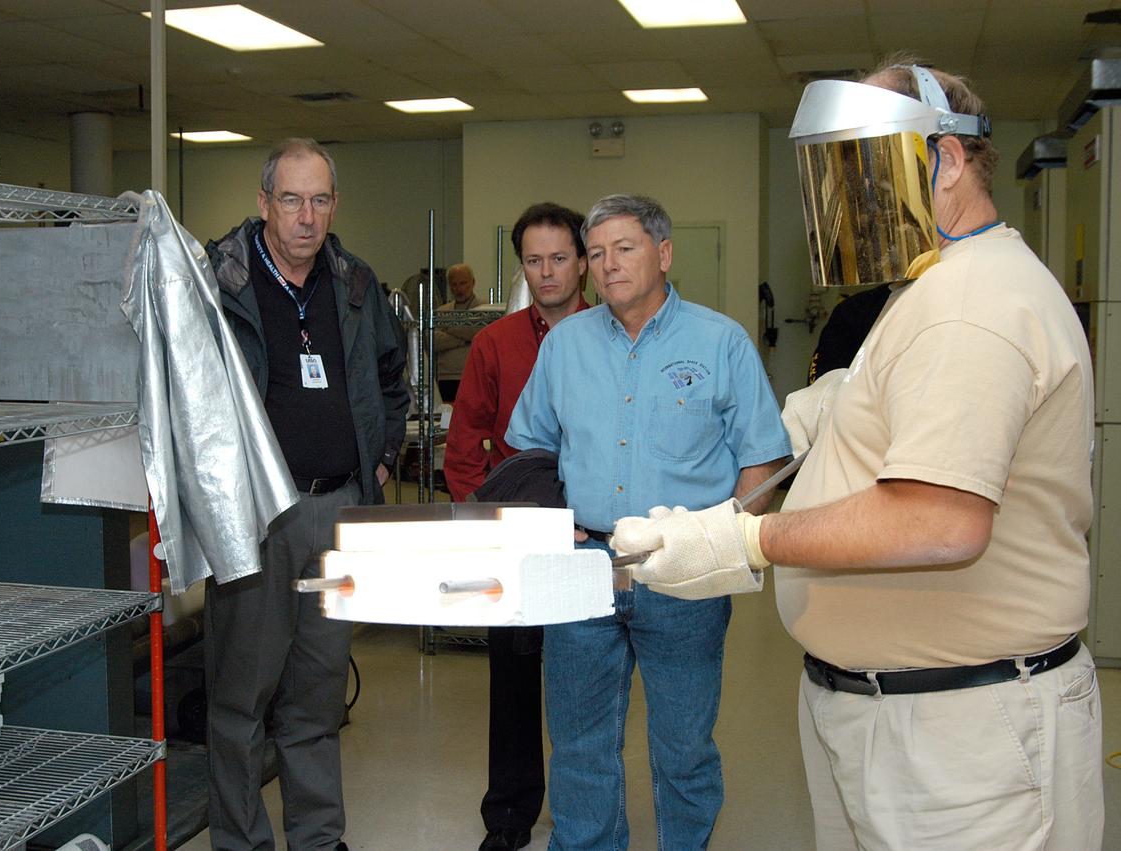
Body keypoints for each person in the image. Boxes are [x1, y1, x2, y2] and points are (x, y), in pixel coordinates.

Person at [611, 62, 1104, 850]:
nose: (849, 203)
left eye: (862, 170)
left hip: (958, 738)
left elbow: (939, 519)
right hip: (893, 713)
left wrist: (743, 541)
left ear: (943, 160)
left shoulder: (971, 306)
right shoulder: (937, 287)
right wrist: (843, 411)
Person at [506, 194, 791, 850]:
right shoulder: (565, 346)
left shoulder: (720, 342)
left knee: (684, 747)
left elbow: (764, 456)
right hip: (581, 568)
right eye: (597, 253)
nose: (608, 265)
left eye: (625, 248)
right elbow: (530, 448)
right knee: (578, 745)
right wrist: (553, 518)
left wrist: (720, 538)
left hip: (683, 568)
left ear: (663, 254)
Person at [204, 137, 409, 851]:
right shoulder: (218, 282)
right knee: (241, 697)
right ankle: (240, 840)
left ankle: (319, 838)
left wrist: (380, 459)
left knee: (317, 695)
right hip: (255, 514)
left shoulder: (353, 282)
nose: (305, 216)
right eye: (290, 199)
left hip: (338, 510)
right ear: (264, 203)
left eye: (320, 200)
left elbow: (392, 378)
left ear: (334, 207)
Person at [444, 202, 593, 851]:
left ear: (583, 262)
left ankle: (585, 811)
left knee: (587, 679)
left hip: (592, 533)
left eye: (559, 258)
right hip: (517, 537)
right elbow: (464, 440)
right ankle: (508, 814)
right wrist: (482, 520)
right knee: (511, 682)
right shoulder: (494, 343)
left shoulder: (614, 335)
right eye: (534, 260)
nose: (547, 272)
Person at [434, 262, 482, 401]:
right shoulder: (442, 312)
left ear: (472, 283)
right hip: (445, 378)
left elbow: (480, 332)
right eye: (454, 284)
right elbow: (433, 341)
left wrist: (448, 327)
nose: (459, 289)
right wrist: (465, 339)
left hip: (474, 376)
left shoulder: (485, 310)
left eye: (463, 283)